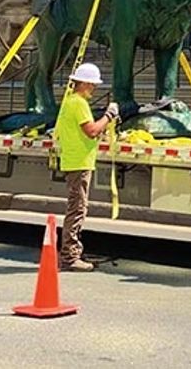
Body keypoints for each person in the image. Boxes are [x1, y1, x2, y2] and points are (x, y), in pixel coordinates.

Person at [55, 62, 119, 272]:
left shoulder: (70, 102)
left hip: (76, 161)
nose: (94, 88)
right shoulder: (78, 103)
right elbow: (91, 131)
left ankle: (70, 254)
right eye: (92, 84)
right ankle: (70, 256)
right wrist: (108, 116)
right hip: (79, 162)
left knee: (76, 208)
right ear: (83, 83)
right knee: (77, 209)